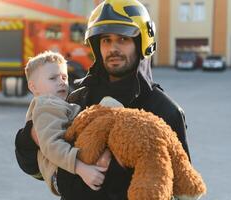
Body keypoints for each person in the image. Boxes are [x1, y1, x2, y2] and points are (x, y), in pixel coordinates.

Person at [15, 0, 191, 199]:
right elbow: (39, 170)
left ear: (143, 42)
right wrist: (29, 138)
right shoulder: (79, 97)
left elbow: (180, 188)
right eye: (106, 40)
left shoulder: (164, 110)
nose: (113, 48)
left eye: (122, 39)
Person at [23, 50, 113, 195]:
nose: (61, 83)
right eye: (53, 78)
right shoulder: (45, 105)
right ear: (33, 87)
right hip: (59, 172)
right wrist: (81, 169)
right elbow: (51, 145)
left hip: (65, 166)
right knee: (108, 107)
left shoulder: (57, 103)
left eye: (64, 77)